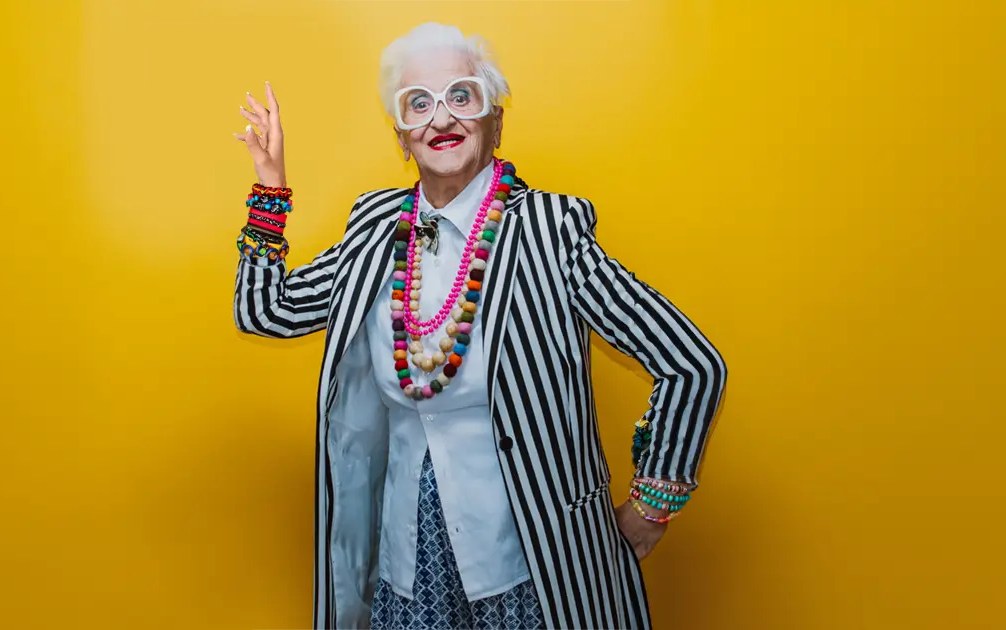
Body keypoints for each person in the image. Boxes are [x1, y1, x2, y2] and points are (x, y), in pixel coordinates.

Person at [232, 22, 726, 630]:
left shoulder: (551, 232)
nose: (441, 119)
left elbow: (691, 363)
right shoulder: (375, 231)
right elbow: (266, 310)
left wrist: (653, 505)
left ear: (494, 118)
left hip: (534, 566)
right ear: (402, 136)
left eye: (460, 96)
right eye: (419, 104)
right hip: (406, 567)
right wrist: (270, 189)